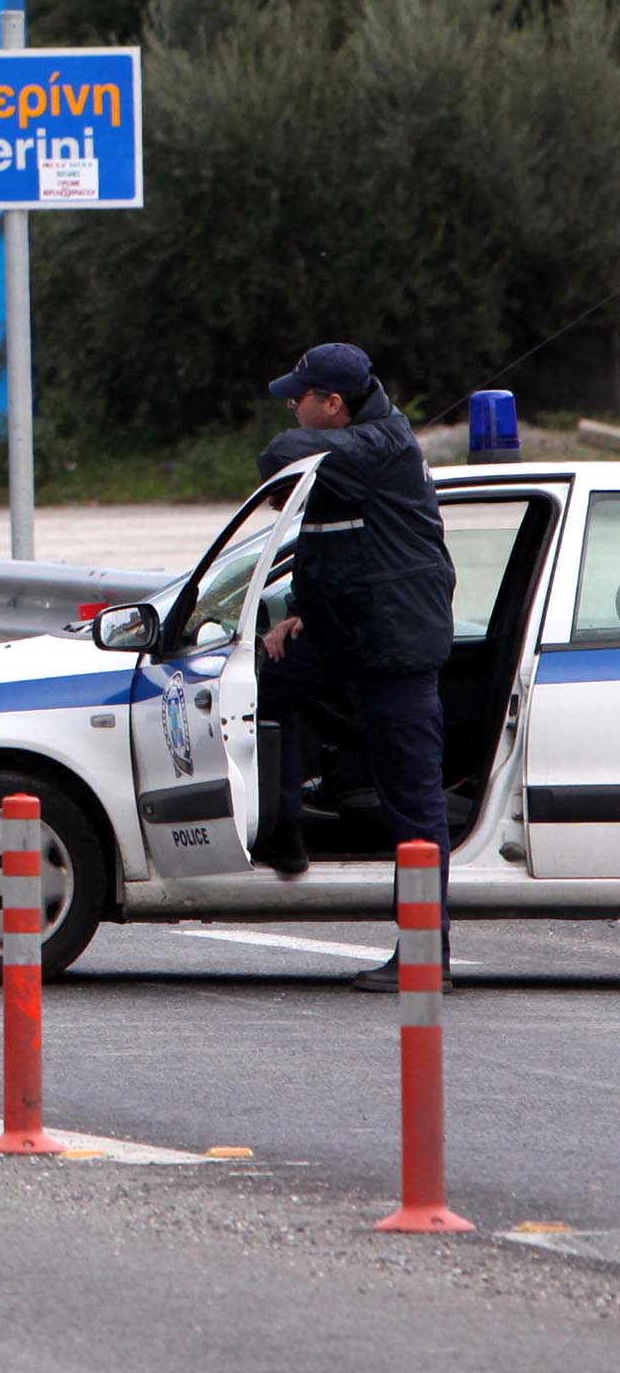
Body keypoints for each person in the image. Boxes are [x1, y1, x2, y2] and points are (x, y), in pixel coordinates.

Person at [251, 341, 458, 991]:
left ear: (333, 404)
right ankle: (284, 828)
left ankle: (427, 955)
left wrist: (299, 443)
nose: (291, 405)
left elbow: (276, 455)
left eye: (300, 397)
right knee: (266, 684)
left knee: (415, 805)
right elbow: (341, 552)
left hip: (395, 654)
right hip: (349, 640)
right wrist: (298, 611)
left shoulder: (381, 448)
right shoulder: (348, 459)